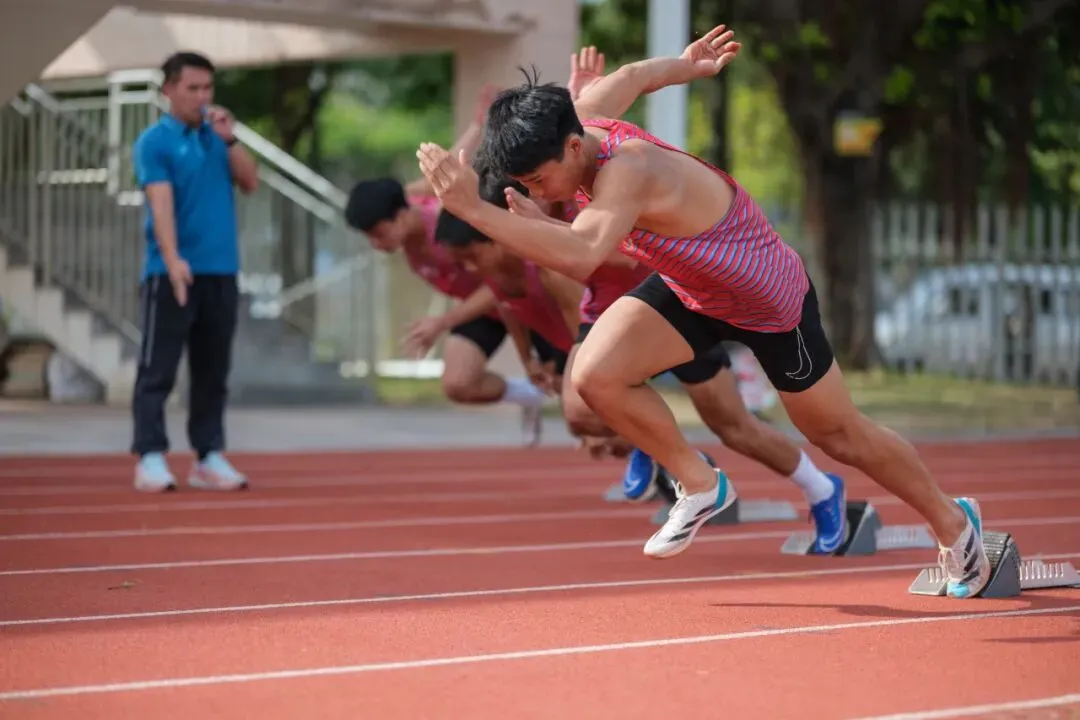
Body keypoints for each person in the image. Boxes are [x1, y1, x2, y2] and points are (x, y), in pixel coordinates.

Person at [416, 26, 990, 599]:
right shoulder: (583, 114)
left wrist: (475, 210)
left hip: (767, 302)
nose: (539, 194)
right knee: (594, 376)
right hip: (690, 287)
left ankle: (954, 523)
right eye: (526, 185)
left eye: (539, 181)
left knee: (839, 436)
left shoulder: (629, 168)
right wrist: (686, 66)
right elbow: (633, 76)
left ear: (571, 147)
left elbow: (583, 253)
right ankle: (698, 482)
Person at [449, 169, 847, 551]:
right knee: (581, 409)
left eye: (535, 181)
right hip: (608, 313)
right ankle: (673, 458)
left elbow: (618, 255)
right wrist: (542, 360)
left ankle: (822, 489)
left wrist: (552, 229)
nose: (537, 189)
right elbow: (524, 304)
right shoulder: (528, 249)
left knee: (734, 427)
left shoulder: (597, 186)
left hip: (673, 304)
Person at [343, 87, 550, 445]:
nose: (376, 244)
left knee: (580, 395)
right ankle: (529, 396)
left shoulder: (448, 223)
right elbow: (444, 165)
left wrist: (442, 322)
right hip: (486, 311)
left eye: (378, 234)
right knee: (457, 384)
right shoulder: (408, 204)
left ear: (402, 214)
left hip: (520, 297)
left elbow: (498, 283)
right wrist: (476, 125)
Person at [130, 51, 258, 493]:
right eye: (193, 88)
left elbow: (250, 182)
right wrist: (173, 260)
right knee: (158, 368)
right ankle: (150, 456)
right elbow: (160, 202)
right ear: (169, 89)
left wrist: (230, 140)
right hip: (172, 272)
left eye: (208, 88)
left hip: (221, 270)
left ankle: (208, 456)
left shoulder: (216, 137)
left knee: (212, 372)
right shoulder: (154, 142)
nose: (203, 97)